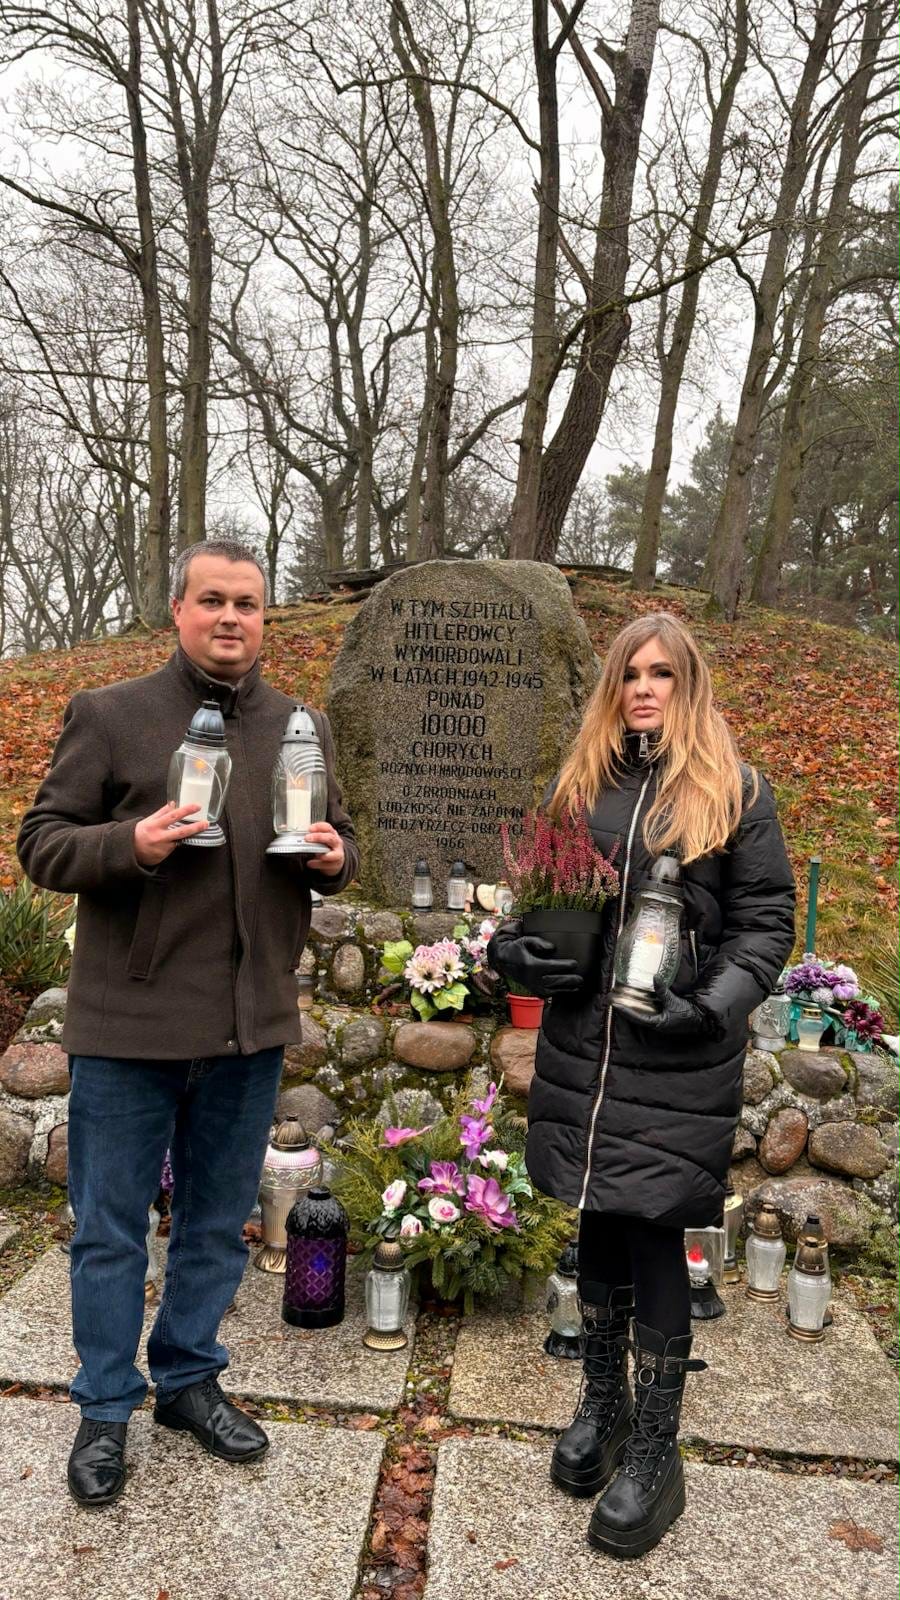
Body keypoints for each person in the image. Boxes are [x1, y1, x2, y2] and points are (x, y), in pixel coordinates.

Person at [17, 538, 358, 1508]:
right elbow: (42, 842)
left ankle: (188, 1379)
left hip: (248, 1028)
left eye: (247, 602)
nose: (230, 618)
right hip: (129, 1028)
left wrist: (338, 859)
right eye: (212, 600)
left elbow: (335, 840)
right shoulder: (111, 714)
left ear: (264, 615)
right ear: (178, 609)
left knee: (214, 1225)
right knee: (111, 1233)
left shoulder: (298, 724)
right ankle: (104, 1406)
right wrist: (132, 842)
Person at [488, 612, 794, 1559]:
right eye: (630, 674)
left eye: (662, 673)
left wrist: (706, 1009)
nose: (644, 689)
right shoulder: (582, 782)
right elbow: (536, 903)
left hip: (676, 1056)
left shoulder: (735, 792)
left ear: (688, 684)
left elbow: (766, 925)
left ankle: (658, 1450)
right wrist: (514, 953)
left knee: (655, 1231)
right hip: (586, 1049)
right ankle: (604, 1404)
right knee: (598, 1215)